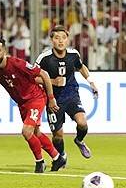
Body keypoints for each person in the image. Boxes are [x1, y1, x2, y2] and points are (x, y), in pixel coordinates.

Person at [0, 37, 66, 173]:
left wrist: (51, 98)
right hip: (22, 103)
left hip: (35, 98)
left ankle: (40, 163)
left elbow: (43, 74)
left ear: (4, 51)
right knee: (36, 133)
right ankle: (57, 158)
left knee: (26, 131)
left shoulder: (17, 64)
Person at [35, 25, 99, 165]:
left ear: (68, 40)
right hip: (53, 100)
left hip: (71, 94)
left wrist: (90, 82)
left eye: (63, 38)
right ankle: (61, 155)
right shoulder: (44, 58)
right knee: (58, 135)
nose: (60, 41)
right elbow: (33, 77)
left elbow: (81, 66)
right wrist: (53, 82)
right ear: (51, 40)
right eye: (57, 38)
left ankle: (79, 140)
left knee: (82, 123)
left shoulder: (74, 54)